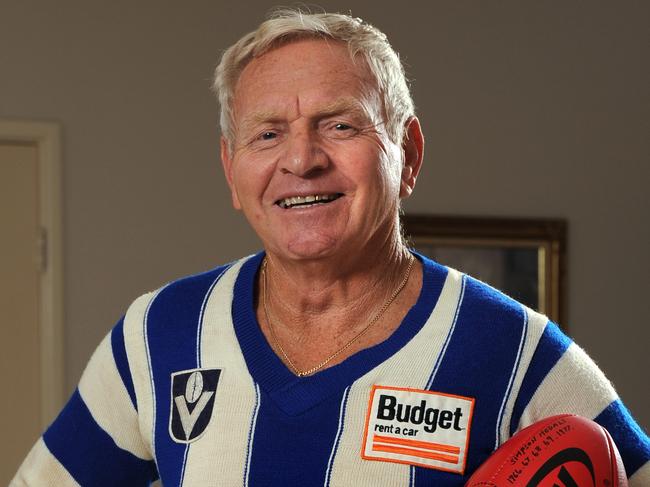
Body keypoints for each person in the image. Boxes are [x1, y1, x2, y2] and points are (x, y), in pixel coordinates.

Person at [12, 9, 650, 486]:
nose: (301, 159)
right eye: (267, 134)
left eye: (339, 125)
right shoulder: (157, 335)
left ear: (409, 155)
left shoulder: (514, 350)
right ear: (231, 170)